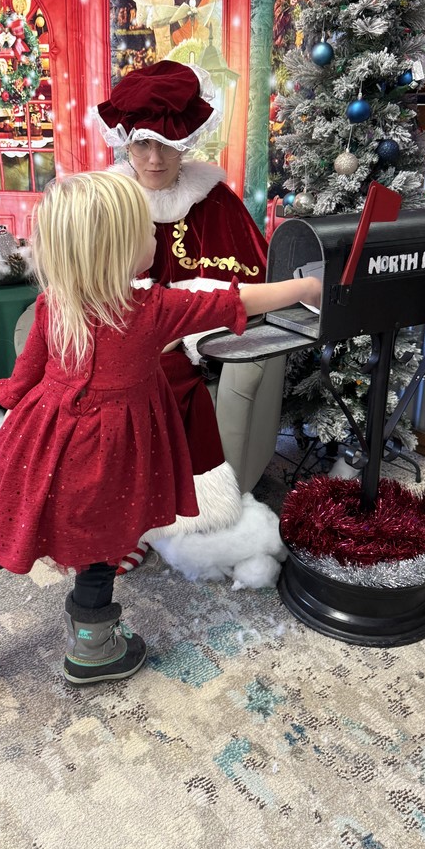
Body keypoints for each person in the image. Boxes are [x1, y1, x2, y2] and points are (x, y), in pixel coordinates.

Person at [0, 171, 320, 695]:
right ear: (118, 250)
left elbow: (21, 381)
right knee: (103, 541)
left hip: (35, 445)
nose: (156, 237)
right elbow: (237, 303)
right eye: (145, 230)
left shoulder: (54, 307)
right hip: (111, 456)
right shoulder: (154, 308)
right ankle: (93, 648)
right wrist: (308, 286)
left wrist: (10, 406)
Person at [93, 59, 269, 569]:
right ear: (124, 142)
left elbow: (247, 282)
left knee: (158, 378)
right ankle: (99, 506)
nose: (154, 157)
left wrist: (176, 330)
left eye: (166, 143)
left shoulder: (215, 202)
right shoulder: (106, 199)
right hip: (116, 329)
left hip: (181, 340)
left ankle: (144, 515)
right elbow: (80, 275)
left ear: (187, 140)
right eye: (142, 143)